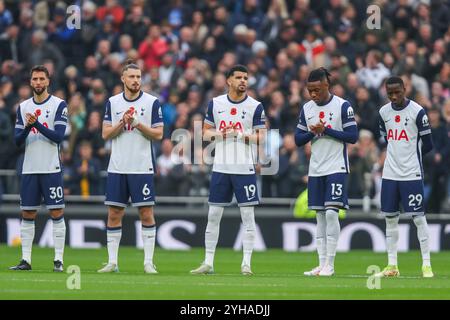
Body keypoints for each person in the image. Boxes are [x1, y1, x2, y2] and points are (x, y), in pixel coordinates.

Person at [190, 65, 266, 275]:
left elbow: (262, 137)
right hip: (221, 167)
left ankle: (246, 264)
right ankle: (208, 262)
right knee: (213, 215)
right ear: (228, 81)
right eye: (239, 77)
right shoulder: (216, 103)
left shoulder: (255, 106)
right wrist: (223, 134)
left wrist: (240, 135)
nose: (243, 81)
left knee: (248, 217)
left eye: (246, 78)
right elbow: (204, 134)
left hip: (244, 167)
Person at [97, 60, 163, 274]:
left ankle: (148, 262)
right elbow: (106, 134)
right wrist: (122, 123)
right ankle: (113, 262)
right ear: (123, 79)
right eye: (132, 77)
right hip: (117, 166)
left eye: (138, 76)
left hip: (142, 167)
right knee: (114, 213)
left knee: (146, 212)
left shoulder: (152, 102)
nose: (136, 80)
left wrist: (137, 123)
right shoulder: (113, 102)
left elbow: (158, 134)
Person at [294, 67, 358, 276]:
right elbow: (297, 139)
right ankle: (321, 264)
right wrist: (313, 131)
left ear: (326, 85)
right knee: (320, 216)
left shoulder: (342, 106)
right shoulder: (307, 108)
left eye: (316, 89)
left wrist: (326, 130)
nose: (313, 94)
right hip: (316, 168)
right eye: (309, 90)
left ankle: (330, 264)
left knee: (331, 213)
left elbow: (353, 136)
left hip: (336, 167)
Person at [9, 65, 68, 272]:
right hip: (30, 168)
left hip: (51, 167)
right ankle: (26, 260)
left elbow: (59, 137)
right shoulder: (23, 107)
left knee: (57, 212)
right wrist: (28, 126)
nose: (38, 83)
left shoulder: (59, 105)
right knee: (27, 213)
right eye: (35, 79)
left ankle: (58, 260)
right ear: (30, 82)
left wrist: (37, 125)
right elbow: (17, 141)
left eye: (42, 79)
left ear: (48, 81)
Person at [374, 76, 434, 278]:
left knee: (418, 218)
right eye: (389, 93)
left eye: (397, 92)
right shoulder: (383, 112)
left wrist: (410, 156)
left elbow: (428, 144)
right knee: (390, 219)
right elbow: (385, 139)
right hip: (390, 173)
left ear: (405, 89)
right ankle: (392, 265)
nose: (393, 96)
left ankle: (426, 265)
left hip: (411, 172)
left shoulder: (417, 111)